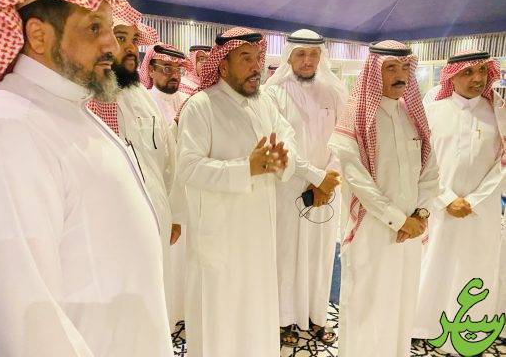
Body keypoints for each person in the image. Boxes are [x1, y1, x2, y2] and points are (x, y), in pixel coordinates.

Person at [0, 0, 173, 356]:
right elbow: (24, 318)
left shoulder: (68, 108)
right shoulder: (7, 125)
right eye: (94, 28)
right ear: (38, 36)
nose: (112, 46)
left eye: (110, 30)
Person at [175, 27, 297, 357]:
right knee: (221, 321)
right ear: (223, 65)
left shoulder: (264, 104)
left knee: (255, 314)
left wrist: (284, 158)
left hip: (259, 238)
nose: (256, 66)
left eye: (258, 58)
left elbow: (287, 137)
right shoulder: (201, 106)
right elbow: (188, 167)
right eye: (246, 58)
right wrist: (246, 168)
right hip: (220, 241)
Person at [328, 40, 439, 357]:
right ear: (375, 72)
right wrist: (399, 219)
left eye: (405, 68)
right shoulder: (358, 118)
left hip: (411, 233)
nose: (400, 75)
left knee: (401, 305)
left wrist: (420, 215)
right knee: (368, 308)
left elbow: (431, 172)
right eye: (391, 68)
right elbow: (358, 180)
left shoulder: (412, 116)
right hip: (372, 232)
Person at [87, 2, 185, 331]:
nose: (130, 47)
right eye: (120, 38)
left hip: (157, 217)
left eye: (132, 40)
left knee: (155, 306)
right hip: (113, 228)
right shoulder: (90, 99)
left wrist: (175, 214)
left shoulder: (143, 97)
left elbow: (169, 160)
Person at [414, 50, 505, 355]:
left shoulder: (498, 113)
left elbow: (502, 164)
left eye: (482, 71)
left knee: (475, 265)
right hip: (439, 208)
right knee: (435, 264)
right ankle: (425, 327)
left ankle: (470, 330)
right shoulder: (433, 111)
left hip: (483, 210)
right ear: (451, 76)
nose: (477, 78)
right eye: (468, 72)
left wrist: (474, 200)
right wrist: (447, 199)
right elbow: (422, 162)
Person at [263, 29, 344, 346]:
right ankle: (284, 320)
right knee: (287, 253)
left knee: (321, 253)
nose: (307, 60)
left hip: (328, 190)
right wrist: (315, 176)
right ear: (289, 56)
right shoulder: (273, 93)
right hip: (288, 188)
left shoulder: (334, 91)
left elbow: (344, 139)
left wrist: (329, 177)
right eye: (301, 54)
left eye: (313, 54)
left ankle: (317, 316)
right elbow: (279, 144)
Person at [139, 43, 190, 125]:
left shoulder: (187, 101)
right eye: (167, 69)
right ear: (151, 70)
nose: (175, 75)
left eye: (178, 69)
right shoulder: (142, 103)